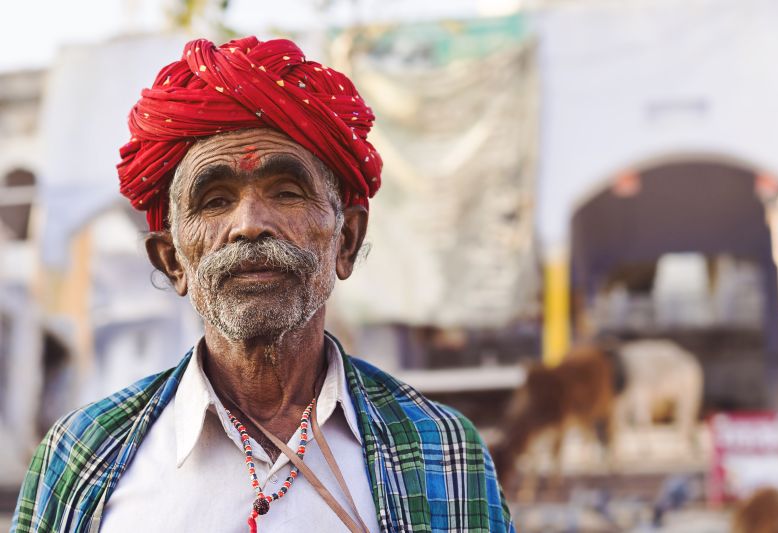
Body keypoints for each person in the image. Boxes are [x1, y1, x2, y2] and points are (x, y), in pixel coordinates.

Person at [12, 36, 513, 533]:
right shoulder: (82, 455)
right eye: (213, 201)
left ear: (347, 241)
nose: (250, 222)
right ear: (172, 262)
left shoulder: (440, 449)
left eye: (287, 192)